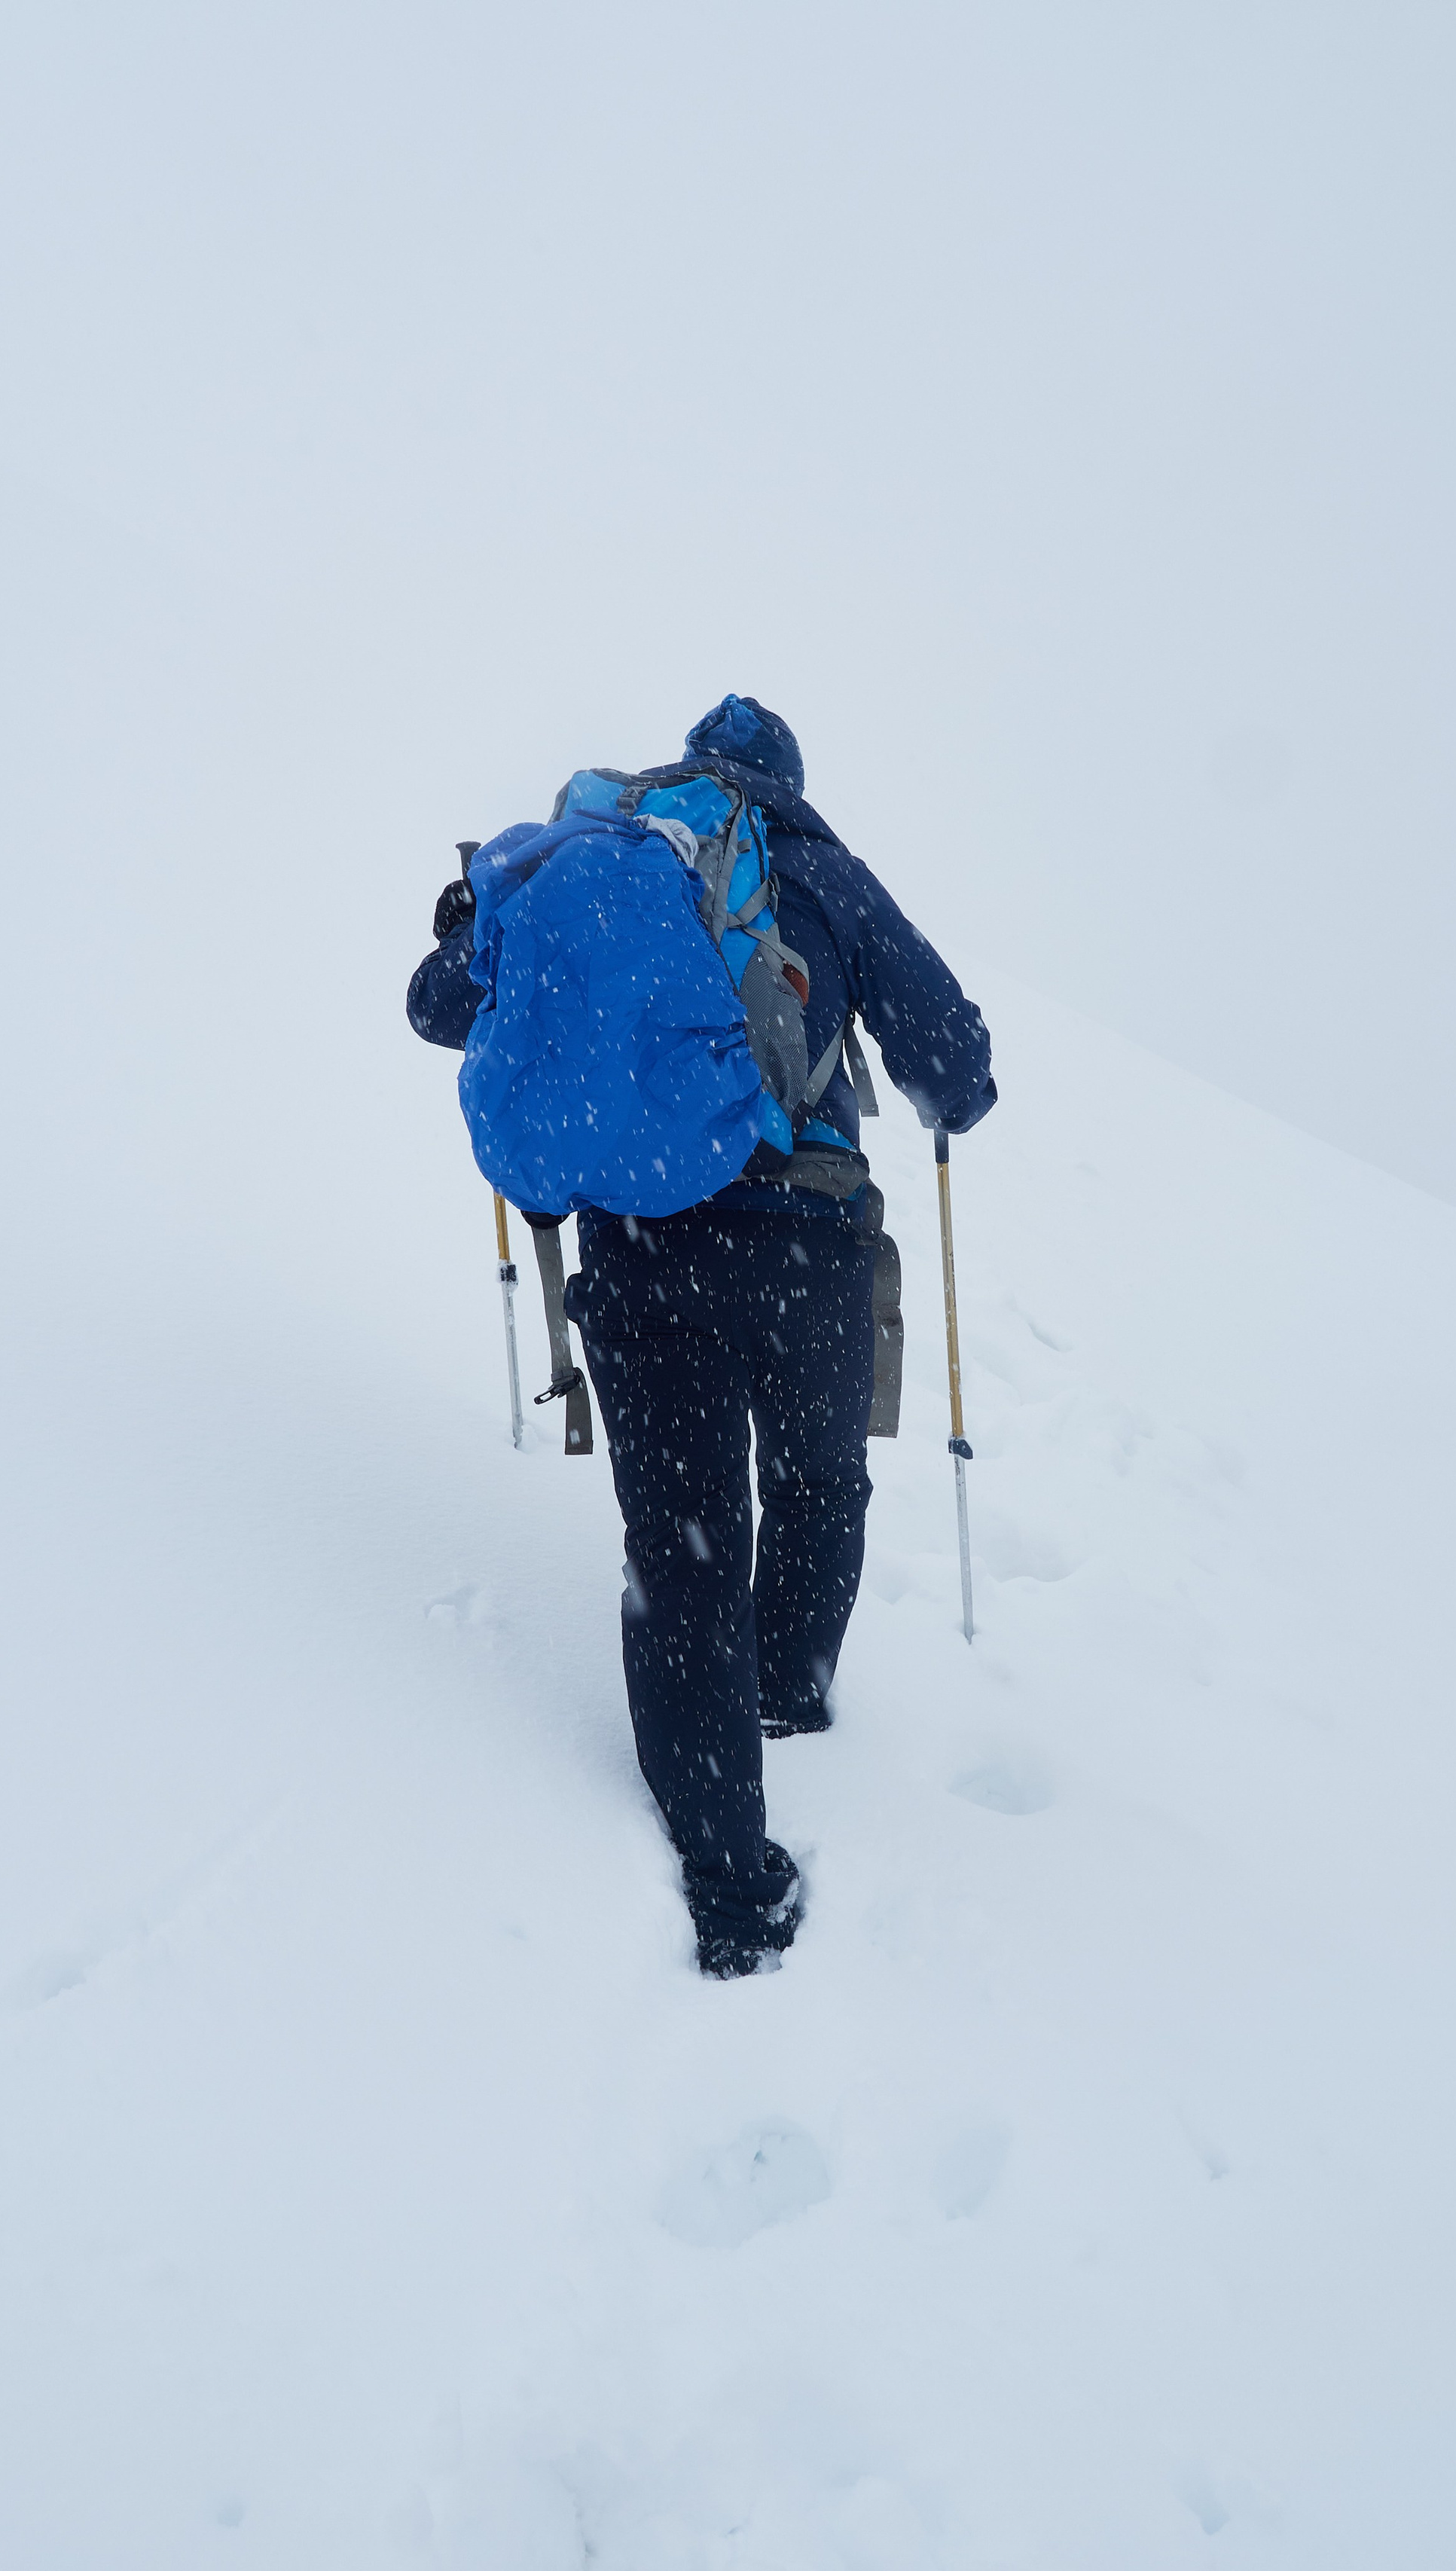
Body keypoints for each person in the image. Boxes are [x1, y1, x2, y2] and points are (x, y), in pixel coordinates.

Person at [408, 696, 995, 1976]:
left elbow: (437, 1006)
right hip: (809, 1246)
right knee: (817, 1479)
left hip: (646, 1243)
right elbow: (956, 1064)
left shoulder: (598, 861)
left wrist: (477, 928)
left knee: (681, 1549)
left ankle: (729, 1876)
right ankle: (788, 1696)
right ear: (786, 784)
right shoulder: (825, 871)